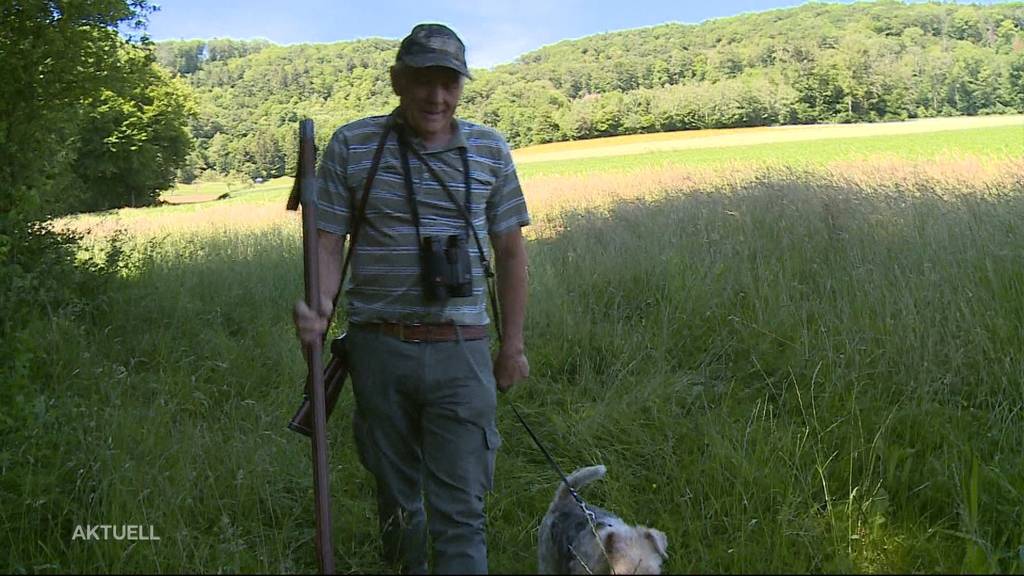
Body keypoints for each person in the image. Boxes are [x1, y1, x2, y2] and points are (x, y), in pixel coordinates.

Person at [293, 23, 531, 574]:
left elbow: (512, 252)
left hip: (462, 351)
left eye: (449, 82)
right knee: (397, 504)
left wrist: (513, 345)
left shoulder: (491, 150)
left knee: (461, 510)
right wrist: (321, 305)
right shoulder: (354, 144)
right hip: (379, 349)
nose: (436, 96)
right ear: (399, 81)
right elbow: (328, 240)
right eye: (423, 80)